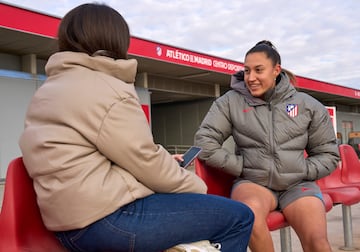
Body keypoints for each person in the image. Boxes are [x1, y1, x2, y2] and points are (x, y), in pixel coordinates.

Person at [18, 3, 254, 252]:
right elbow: (144, 160)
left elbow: (104, 156)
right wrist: (196, 188)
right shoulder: (106, 88)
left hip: (65, 227)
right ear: (115, 40)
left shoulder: (47, 90)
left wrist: (162, 161)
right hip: (106, 223)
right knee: (238, 218)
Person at [194, 40, 340, 252]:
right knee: (249, 217)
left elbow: (328, 154)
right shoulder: (230, 102)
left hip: (297, 184)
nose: (251, 78)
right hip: (254, 183)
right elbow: (204, 142)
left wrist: (303, 170)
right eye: (246, 71)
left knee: (317, 242)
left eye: (258, 70)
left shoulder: (307, 105)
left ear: (276, 70)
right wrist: (242, 167)